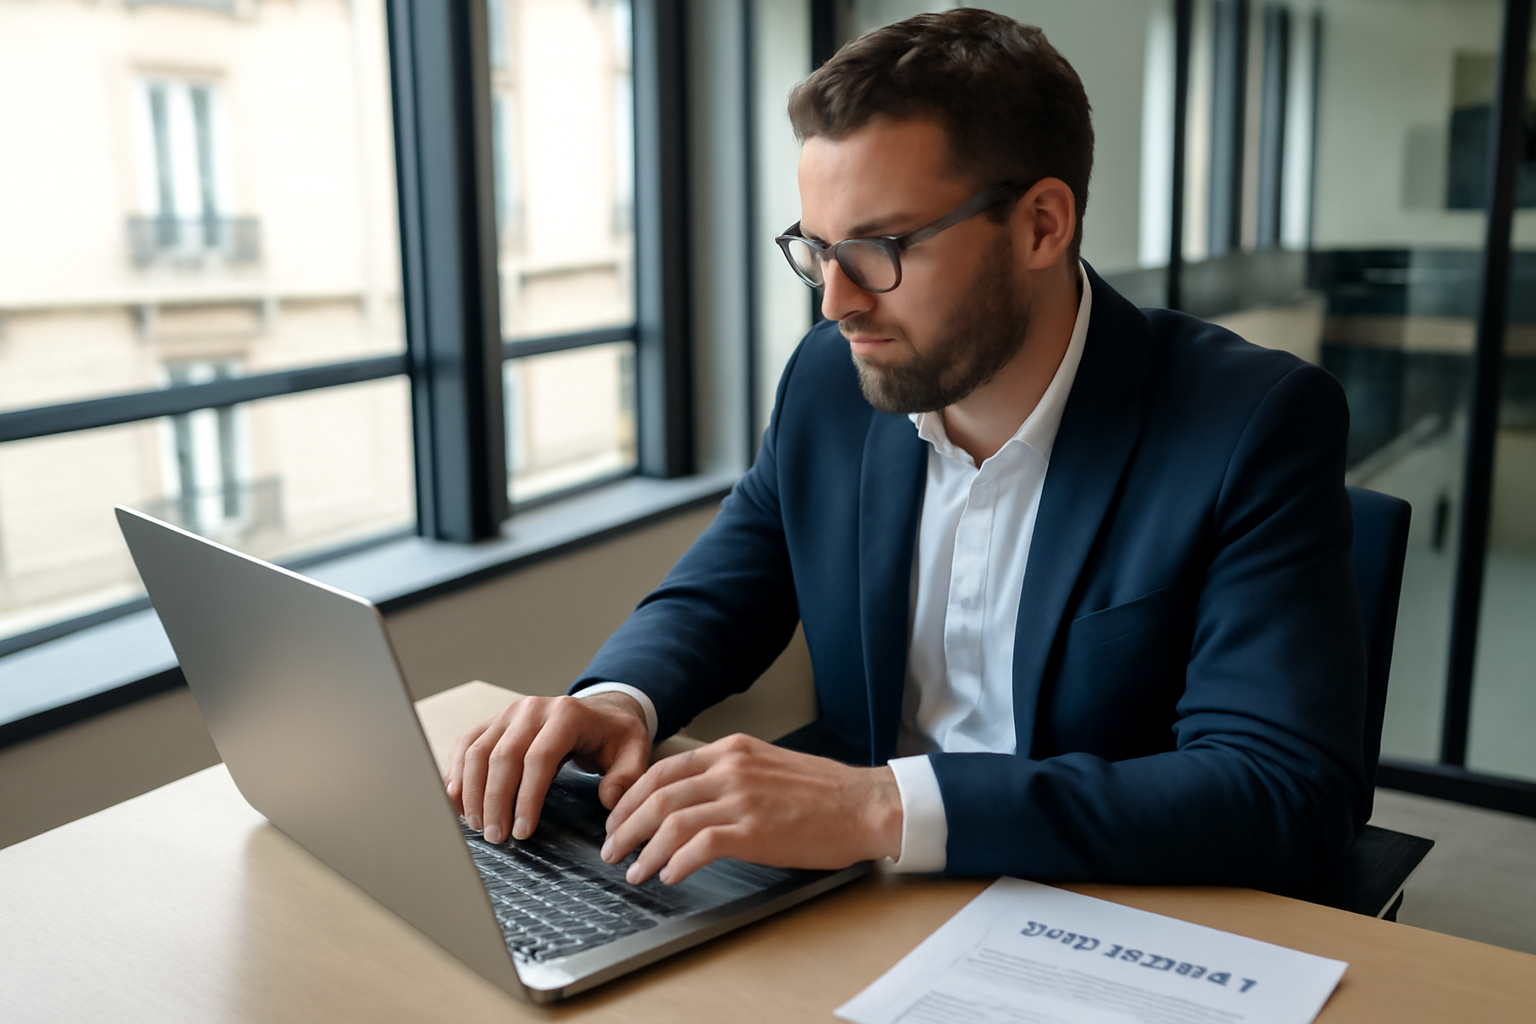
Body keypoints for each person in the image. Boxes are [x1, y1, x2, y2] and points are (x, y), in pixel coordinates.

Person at [445, 9, 1368, 893]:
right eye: (816, 250)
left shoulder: (1252, 421)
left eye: (881, 248)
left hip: (1096, 905)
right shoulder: (830, 380)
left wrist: (883, 804)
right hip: (858, 893)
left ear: (1043, 224)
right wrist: (620, 701)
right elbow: (727, 586)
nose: (836, 303)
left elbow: (1277, 791)